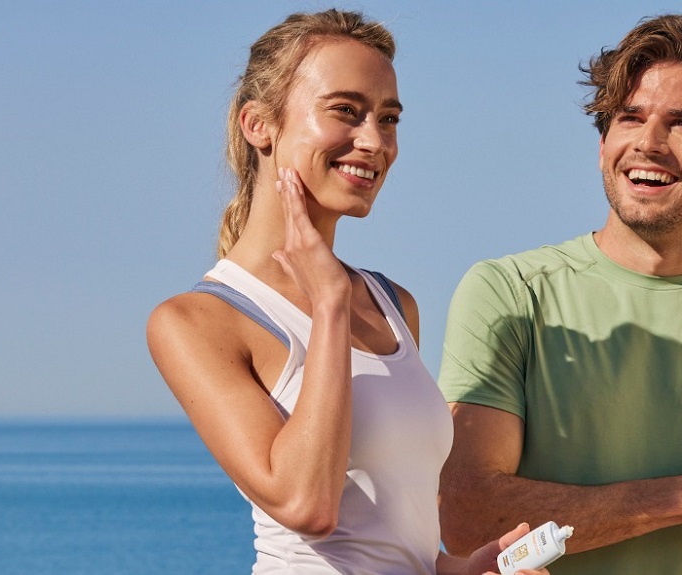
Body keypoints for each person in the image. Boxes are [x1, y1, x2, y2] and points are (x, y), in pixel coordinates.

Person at [436, 14, 682, 575]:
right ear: (604, 143)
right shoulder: (509, 294)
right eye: (630, 118)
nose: (648, 144)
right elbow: (467, 515)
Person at [146, 10, 546, 575]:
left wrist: (464, 568)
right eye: (345, 111)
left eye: (389, 118)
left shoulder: (395, 305)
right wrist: (330, 303)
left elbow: (390, 541)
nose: (374, 141)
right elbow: (305, 506)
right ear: (258, 124)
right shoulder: (196, 321)